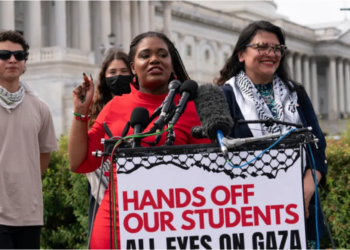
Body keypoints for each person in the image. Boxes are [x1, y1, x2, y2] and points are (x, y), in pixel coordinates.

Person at [68, 31, 211, 249]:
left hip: (175, 226)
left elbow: (210, 174)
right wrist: (81, 113)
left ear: (172, 63)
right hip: (115, 226)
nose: (155, 59)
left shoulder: (192, 109)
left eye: (162, 54)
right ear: (133, 67)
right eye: (145, 55)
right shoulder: (115, 106)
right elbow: (79, 162)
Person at [217, 20, 328, 248]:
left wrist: (311, 180)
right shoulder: (224, 96)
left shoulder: (295, 92)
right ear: (241, 55)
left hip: (301, 207)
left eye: (277, 48)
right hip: (248, 212)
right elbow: (218, 156)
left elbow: (318, 144)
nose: (271, 53)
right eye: (262, 47)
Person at [0, 30, 58, 249]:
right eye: (4, 54)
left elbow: (43, 157)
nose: (12, 60)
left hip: (29, 215)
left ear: (25, 62)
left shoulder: (40, 107)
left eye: (19, 55)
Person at [86, 48, 133, 236]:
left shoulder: (142, 108)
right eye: (112, 73)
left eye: (123, 72)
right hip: (101, 191)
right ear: (104, 77)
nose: (118, 77)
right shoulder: (97, 112)